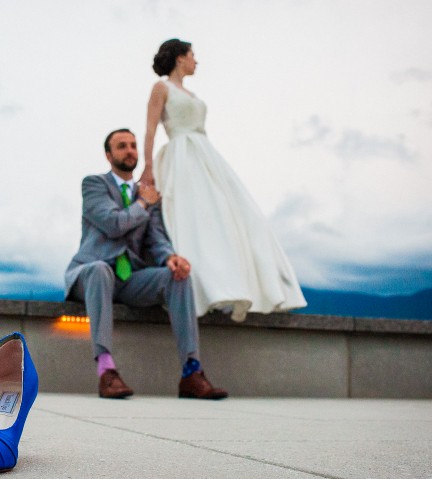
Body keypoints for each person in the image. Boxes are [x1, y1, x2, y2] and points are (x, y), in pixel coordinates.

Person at [139, 39, 307, 322]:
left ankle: (234, 286)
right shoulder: (161, 88)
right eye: (192, 55)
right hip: (181, 156)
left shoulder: (190, 93)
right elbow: (150, 129)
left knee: (226, 217)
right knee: (193, 218)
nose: (196, 60)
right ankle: (202, 287)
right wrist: (148, 167)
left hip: (206, 156)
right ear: (180, 58)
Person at [64, 128, 227, 400]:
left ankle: (191, 371)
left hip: (130, 279)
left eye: (133, 145)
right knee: (101, 270)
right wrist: (142, 202)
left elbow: (156, 238)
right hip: (90, 273)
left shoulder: (149, 194)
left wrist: (170, 257)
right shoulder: (94, 184)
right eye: (121, 146)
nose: (129, 151)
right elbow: (114, 224)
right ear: (108, 155)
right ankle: (106, 371)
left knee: (177, 276)